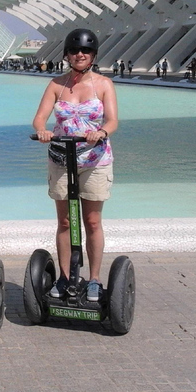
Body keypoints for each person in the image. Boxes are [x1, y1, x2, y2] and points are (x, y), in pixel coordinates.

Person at [32, 28, 118, 303]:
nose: (80, 54)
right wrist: (43, 131)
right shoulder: (56, 85)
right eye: (74, 50)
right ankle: (66, 276)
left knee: (92, 221)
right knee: (65, 221)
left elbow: (112, 121)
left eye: (86, 51)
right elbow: (39, 118)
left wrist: (101, 132)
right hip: (61, 158)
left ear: (94, 55)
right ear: (67, 54)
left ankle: (94, 279)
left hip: (95, 160)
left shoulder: (104, 84)